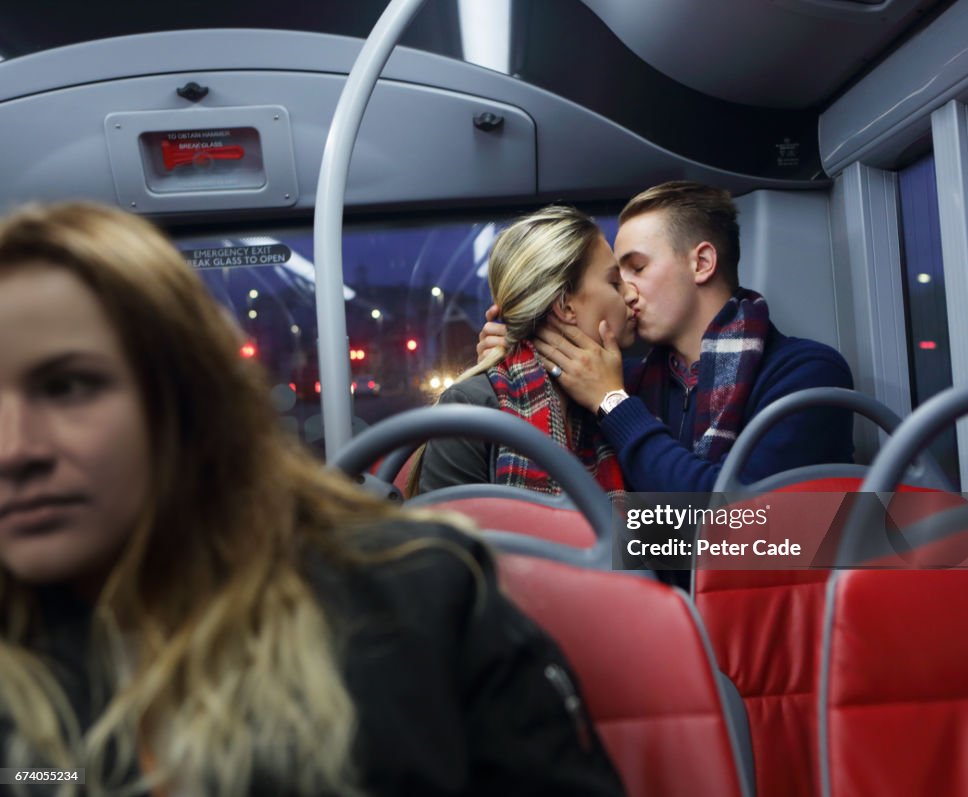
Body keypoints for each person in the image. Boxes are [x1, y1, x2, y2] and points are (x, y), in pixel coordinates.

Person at [0, 202, 626, 796]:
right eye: (617, 276)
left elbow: (716, 538)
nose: (13, 450)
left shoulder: (424, 595)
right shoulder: (486, 410)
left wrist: (623, 415)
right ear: (568, 306)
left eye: (69, 387)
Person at [479, 181, 854, 493]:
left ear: (702, 263)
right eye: (615, 278)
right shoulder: (621, 379)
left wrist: (614, 404)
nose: (625, 292)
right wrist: (515, 348)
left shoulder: (807, 375)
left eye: (637, 268)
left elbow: (746, 529)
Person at [412, 205, 638, 500]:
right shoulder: (472, 406)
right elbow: (447, 541)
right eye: (614, 282)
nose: (631, 293)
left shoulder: (626, 394)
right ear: (565, 306)